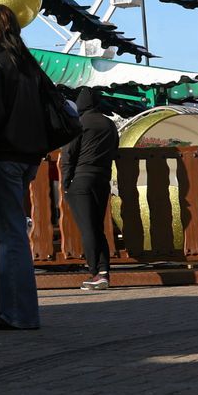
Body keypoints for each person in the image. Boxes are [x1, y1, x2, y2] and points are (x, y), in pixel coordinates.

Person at [0, 5, 47, 330]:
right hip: (26, 157)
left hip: (3, 155)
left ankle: (18, 312)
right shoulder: (29, 66)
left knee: (10, 233)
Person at [61, 86, 118, 290]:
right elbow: (114, 151)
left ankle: (94, 273)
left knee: (87, 228)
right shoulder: (109, 124)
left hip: (81, 181)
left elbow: (68, 155)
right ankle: (103, 272)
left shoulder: (80, 123)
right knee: (97, 228)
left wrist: (66, 184)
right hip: (102, 180)